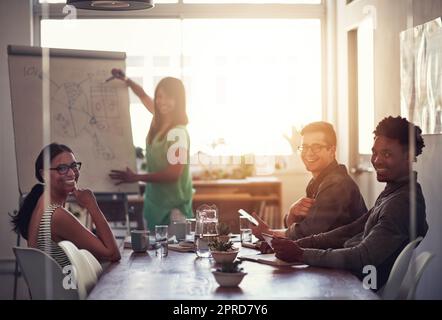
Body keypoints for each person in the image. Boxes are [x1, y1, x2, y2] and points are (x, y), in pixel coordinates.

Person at [268, 116, 428, 290]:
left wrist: (301, 254)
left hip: (361, 285)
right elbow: (350, 230)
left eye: (387, 154)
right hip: (354, 276)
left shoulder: (401, 203)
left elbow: (362, 257)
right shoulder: (394, 192)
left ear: (408, 156)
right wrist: (296, 246)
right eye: (375, 152)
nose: (377, 160)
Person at [108, 69, 193, 232]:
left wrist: (136, 177)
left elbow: (173, 173)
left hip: (173, 212)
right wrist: (127, 80)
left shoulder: (178, 134)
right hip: (155, 206)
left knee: (175, 256)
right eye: (160, 96)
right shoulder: (159, 119)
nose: (162, 101)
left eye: (169, 97)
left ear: (179, 100)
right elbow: (143, 96)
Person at [252, 121, 367, 240]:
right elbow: (303, 227)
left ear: (332, 151)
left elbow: (308, 233)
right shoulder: (316, 182)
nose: (309, 153)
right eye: (305, 147)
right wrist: (292, 215)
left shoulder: (337, 185)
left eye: (316, 147)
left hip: (343, 255)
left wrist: (268, 233)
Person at [11, 143, 121, 268]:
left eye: (74, 166)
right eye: (62, 168)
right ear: (43, 174)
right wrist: (92, 204)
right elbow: (112, 254)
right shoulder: (56, 215)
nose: (71, 174)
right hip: (67, 286)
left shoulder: (42, 203)